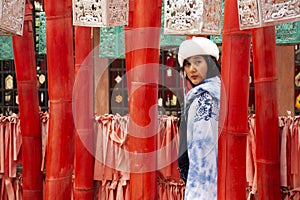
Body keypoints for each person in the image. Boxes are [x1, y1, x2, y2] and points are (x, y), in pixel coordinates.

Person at [177, 36, 221, 199]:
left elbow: (202, 150)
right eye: (187, 64)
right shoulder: (215, 91)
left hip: (205, 183)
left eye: (197, 62)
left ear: (210, 64)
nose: (192, 69)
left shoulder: (205, 98)